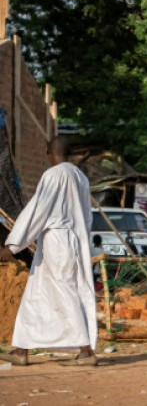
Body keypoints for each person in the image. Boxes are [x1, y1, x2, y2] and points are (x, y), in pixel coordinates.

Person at [0, 136, 97, 367]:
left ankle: (86, 351)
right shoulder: (80, 177)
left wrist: (12, 246)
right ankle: (20, 350)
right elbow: (87, 216)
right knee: (36, 294)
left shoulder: (53, 175)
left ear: (48, 152)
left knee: (65, 292)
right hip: (73, 241)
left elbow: (37, 211)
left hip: (57, 243)